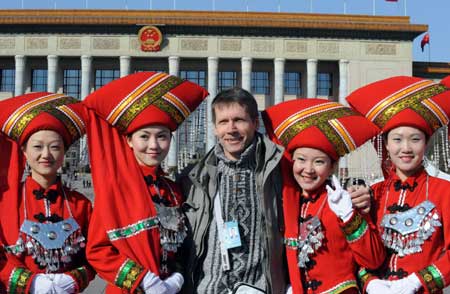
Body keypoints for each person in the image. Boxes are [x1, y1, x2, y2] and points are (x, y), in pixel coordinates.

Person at [82, 71, 208, 293]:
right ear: (129, 141)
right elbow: (98, 250)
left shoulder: (172, 189)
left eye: (162, 136)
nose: (154, 145)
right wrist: (142, 280)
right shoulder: (115, 187)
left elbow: (178, 245)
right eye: (144, 136)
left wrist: (177, 276)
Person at [262, 98, 386, 294]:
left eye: (319, 162)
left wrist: (349, 216)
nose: (308, 170)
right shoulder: (286, 202)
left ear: (332, 167)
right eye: (301, 160)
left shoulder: (343, 201)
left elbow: (373, 259)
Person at [346, 75, 450, 293]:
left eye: (415, 139)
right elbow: (355, 254)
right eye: (397, 139)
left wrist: (417, 282)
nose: (406, 148)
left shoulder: (444, 191)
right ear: (385, 144)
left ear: (426, 143)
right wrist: (370, 282)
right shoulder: (373, 195)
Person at [180, 86, 286, 294]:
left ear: (255, 124)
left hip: (259, 289)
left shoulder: (278, 172)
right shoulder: (192, 178)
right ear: (214, 128)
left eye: (239, 120)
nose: (231, 129)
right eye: (223, 122)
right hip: (208, 289)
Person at [0, 92, 95, 293]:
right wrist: (30, 283)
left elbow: (95, 255)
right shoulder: (6, 202)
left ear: (64, 153)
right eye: (37, 147)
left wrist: (73, 280)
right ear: (24, 151)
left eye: (54, 147)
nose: (46, 155)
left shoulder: (81, 204)